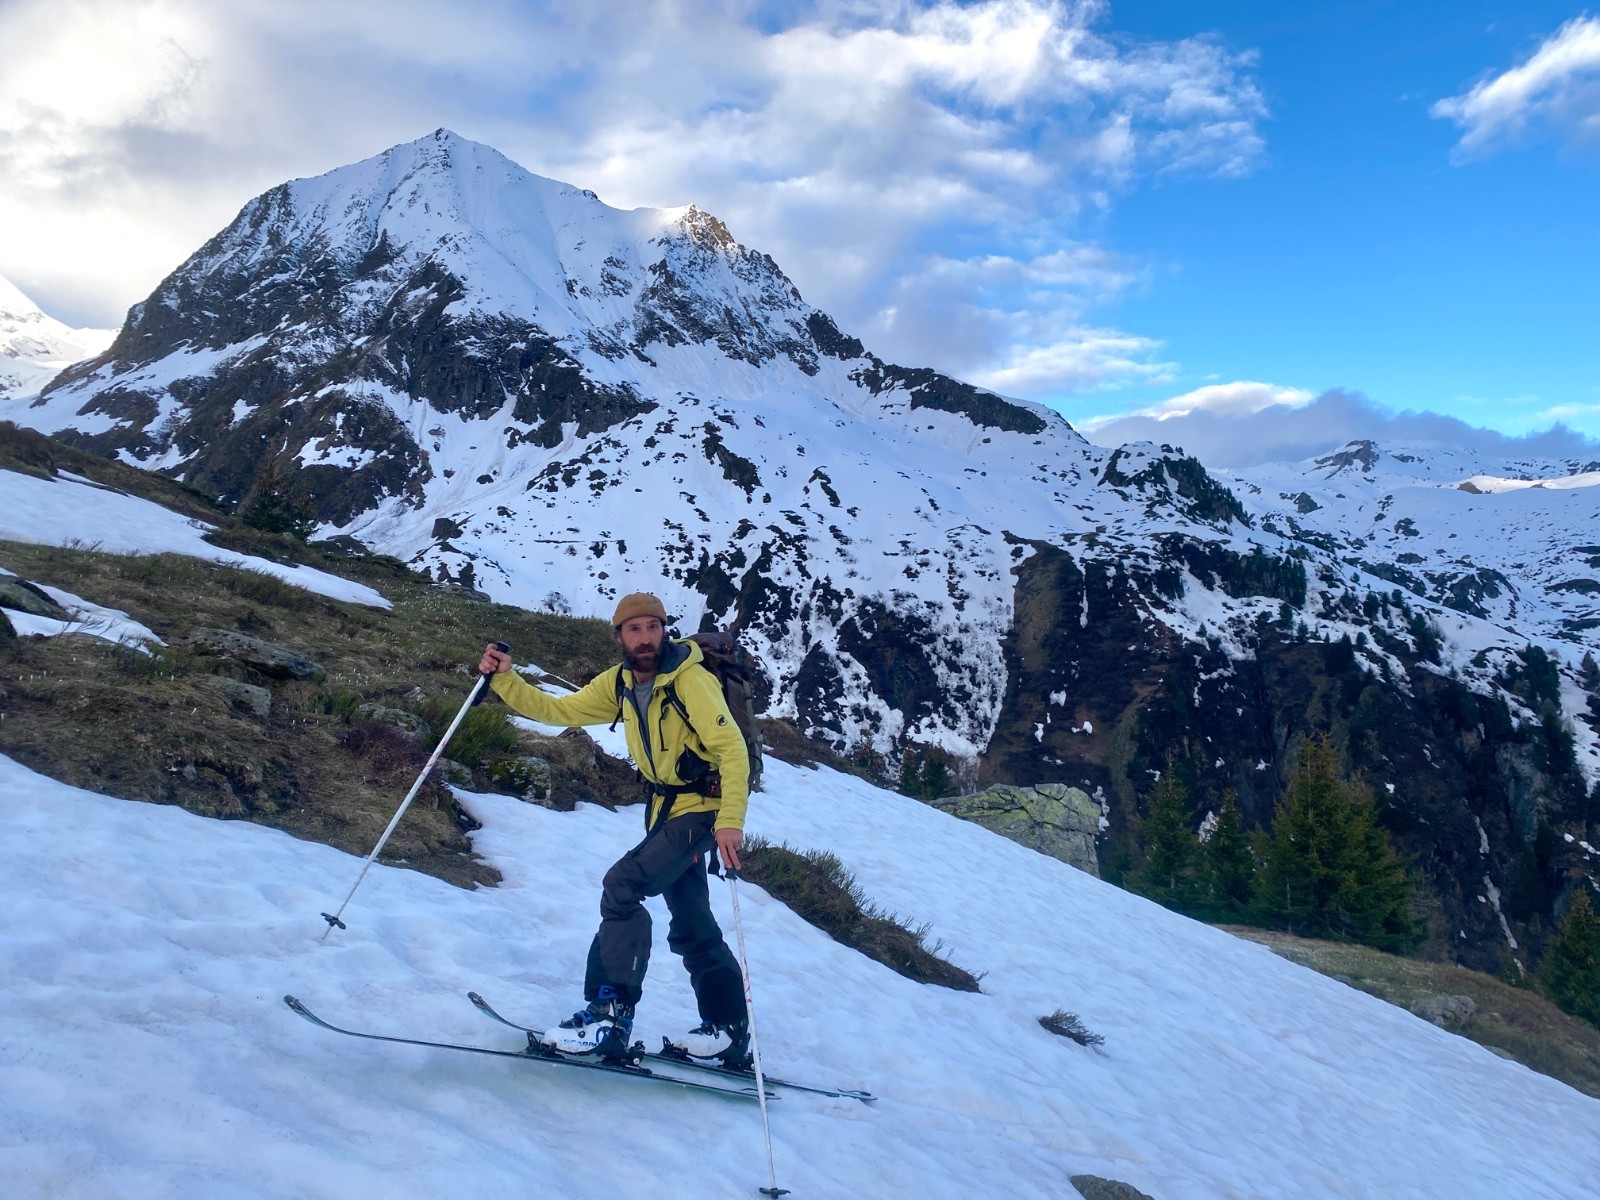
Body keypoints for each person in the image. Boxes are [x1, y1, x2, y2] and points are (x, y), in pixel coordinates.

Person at [477, 592, 751, 1066]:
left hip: (703, 810)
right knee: (691, 922)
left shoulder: (691, 682)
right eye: (635, 629)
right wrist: (506, 680)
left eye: (653, 627)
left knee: (621, 888)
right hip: (665, 810)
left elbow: (732, 750)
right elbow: (560, 712)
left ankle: (609, 1015)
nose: (646, 638)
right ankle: (727, 1029)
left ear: (664, 629)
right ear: (619, 635)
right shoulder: (619, 683)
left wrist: (729, 822)